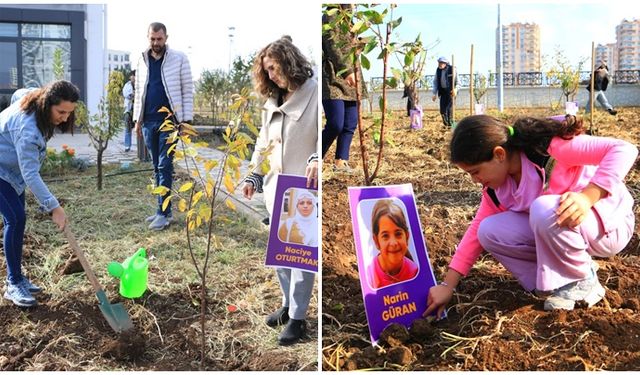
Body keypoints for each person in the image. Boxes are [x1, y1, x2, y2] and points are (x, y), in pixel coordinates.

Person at [424, 114, 637, 318]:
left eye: (475, 171)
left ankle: (581, 280)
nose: (474, 180)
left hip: (608, 226)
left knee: (543, 208)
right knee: (488, 231)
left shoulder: (548, 150)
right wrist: (447, 285)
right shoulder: (497, 190)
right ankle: (553, 283)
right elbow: (474, 235)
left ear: (499, 154)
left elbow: (623, 149)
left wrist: (588, 197)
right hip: (567, 227)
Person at [242, 36, 318, 346]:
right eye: (267, 70)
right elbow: (264, 143)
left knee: (300, 257)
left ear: (289, 61)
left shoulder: (314, 94)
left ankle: (299, 319)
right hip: (276, 190)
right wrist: (253, 176)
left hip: (303, 191)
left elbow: (322, 136)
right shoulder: (273, 100)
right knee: (280, 256)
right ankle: (287, 305)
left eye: (274, 68)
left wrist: (317, 159)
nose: (272, 75)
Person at [0, 80, 79, 307]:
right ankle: (13, 284)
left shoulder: (34, 98)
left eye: (69, 112)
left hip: (10, 171)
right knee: (16, 218)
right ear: (48, 104)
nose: (65, 118)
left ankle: (17, 277)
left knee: (15, 220)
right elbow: (31, 175)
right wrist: (54, 207)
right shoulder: (28, 130)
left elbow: (18, 94)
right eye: (61, 111)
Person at [133, 22, 193, 231]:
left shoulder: (179, 58)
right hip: (148, 121)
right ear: (147, 37)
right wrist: (136, 120)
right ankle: (162, 209)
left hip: (170, 122)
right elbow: (139, 91)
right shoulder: (142, 59)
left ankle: (164, 214)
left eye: (159, 39)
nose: (156, 42)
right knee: (155, 167)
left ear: (166, 37)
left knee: (164, 165)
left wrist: (185, 121)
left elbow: (187, 90)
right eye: (152, 39)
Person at [321, 4, 365, 172]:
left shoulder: (350, 21)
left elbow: (351, 48)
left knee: (350, 123)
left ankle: (341, 161)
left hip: (352, 76)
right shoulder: (330, 16)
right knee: (335, 124)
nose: (354, 4)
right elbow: (332, 46)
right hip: (333, 76)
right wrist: (346, 71)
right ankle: (315, 157)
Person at [367, 199, 418, 289]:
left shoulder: (414, 272)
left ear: (407, 236)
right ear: (376, 241)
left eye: (398, 234)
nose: (393, 243)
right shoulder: (369, 274)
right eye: (385, 236)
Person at [431, 56, 457, 127]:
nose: (440, 64)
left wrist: (455, 89)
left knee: (449, 109)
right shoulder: (438, 70)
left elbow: (458, 82)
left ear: (446, 63)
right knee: (442, 110)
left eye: (442, 63)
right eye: (439, 63)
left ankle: (451, 124)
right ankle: (446, 124)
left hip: (451, 92)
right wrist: (434, 93)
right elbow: (435, 82)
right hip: (443, 92)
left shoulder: (452, 69)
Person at [122, 70, 135, 152]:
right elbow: (127, 95)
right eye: (133, 76)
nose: (134, 77)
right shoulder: (127, 85)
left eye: (135, 76)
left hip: (137, 109)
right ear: (130, 77)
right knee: (128, 128)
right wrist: (133, 94)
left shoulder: (140, 85)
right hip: (128, 110)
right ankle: (127, 146)